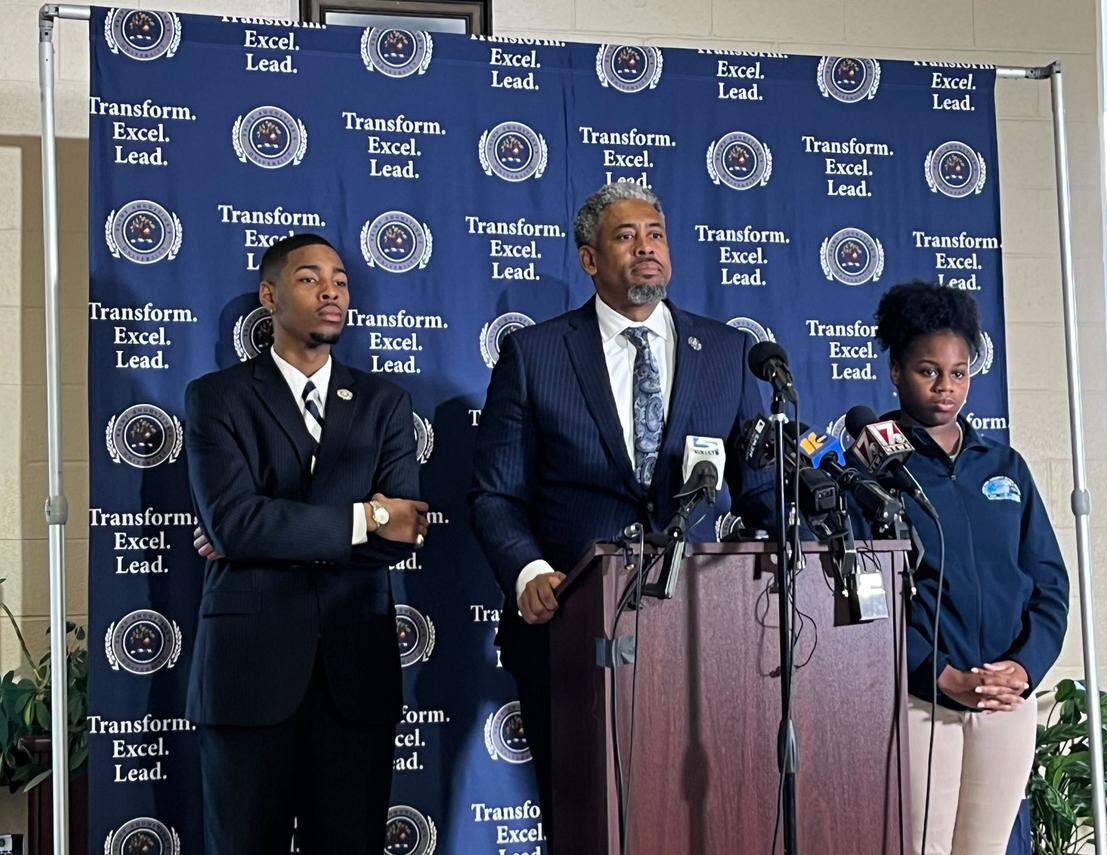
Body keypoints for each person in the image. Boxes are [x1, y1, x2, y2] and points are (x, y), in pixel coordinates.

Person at [468, 183, 773, 834]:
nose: (646, 248)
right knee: (586, 825)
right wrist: (526, 573)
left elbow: (759, 485)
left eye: (656, 234)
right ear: (588, 259)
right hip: (571, 630)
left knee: (700, 824)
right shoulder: (536, 354)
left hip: (702, 635)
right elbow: (496, 492)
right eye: (626, 235)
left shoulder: (724, 352)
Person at [184, 233, 429, 853]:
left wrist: (260, 532)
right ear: (269, 295)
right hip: (248, 675)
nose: (331, 293)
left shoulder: (385, 402)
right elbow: (234, 523)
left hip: (355, 677)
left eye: (341, 281)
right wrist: (363, 519)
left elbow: (404, 530)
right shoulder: (217, 398)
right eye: (310, 278)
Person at [870, 281, 1068, 855]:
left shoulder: (1005, 465)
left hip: (1006, 699)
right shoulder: (873, 468)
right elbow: (867, 600)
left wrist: (1023, 669)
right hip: (921, 701)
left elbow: (1049, 584)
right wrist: (937, 674)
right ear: (896, 371)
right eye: (928, 371)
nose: (946, 388)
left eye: (958, 373)